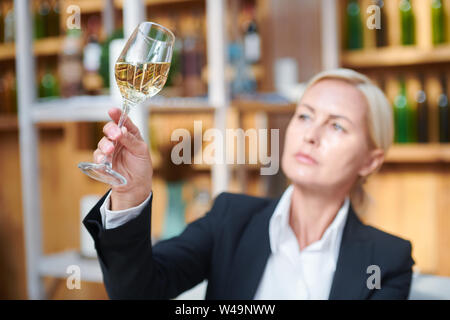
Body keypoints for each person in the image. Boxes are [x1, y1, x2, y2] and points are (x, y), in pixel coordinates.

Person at [83, 68, 415, 300]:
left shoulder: (387, 260)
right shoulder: (230, 218)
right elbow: (138, 293)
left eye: (337, 126)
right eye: (305, 116)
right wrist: (130, 192)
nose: (311, 135)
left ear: (371, 160)